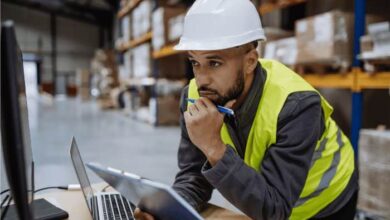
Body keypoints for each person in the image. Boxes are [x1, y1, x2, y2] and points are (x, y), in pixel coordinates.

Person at [135, 0, 358, 219]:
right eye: (195, 62)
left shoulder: (296, 105)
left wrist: (214, 147)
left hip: (327, 201)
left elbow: (275, 209)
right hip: (269, 199)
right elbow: (193, 176)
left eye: (214, 63)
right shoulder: (194, 96)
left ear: (250, 61)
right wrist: (169, 209)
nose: (201, 79)